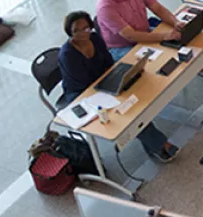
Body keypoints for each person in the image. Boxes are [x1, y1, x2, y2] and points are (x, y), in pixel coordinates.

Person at [58, 11, 178, 162]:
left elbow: (108, 62)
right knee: (127, 111)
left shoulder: (94, 38)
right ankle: (159, 145)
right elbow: (83, 83)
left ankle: (152, 142)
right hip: (81, 93)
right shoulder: (67, 55)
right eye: (76, 30)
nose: (82, 33)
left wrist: (116, 79)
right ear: (69, 32)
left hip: (104, 81)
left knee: (135, 96)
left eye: (86, 28)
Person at [95, 0, 182, 61]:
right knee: (153, 65)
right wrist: (164, 36)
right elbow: (131, 36)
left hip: (144, 31)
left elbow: (157, 8)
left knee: (178, 40)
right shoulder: (105, 7)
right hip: (123, 46)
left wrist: (175, 22)